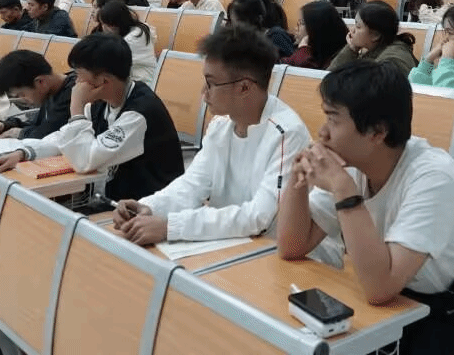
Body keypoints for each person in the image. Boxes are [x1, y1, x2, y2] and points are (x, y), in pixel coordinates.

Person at [277, 60, 454, 354]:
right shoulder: (354, 162)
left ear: (377, 132)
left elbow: (379, 288)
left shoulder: (432, 179)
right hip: (414, 303)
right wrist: (297, 177)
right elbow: (292, 246)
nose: (322, 132)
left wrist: (344, 191)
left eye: (333, 120)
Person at [112, 25, 311, 245]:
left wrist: (171, 227)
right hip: (229, 243)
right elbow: (192, 184)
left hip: (272, 250)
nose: (203, 92)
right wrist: (148, 207)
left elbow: (259, 216)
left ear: (244, 88)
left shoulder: (287, 134)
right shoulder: (221, 125)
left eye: (211, 83)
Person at [0, 33, 184, 202]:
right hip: (113, 199)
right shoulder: (102, 101)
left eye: (80, 76)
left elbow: (84, 161)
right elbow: (63, 137)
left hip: (146, 208)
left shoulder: (139, 113)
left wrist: (76, 107)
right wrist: (24, 153)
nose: (76, 82)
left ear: (103, 81)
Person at [0, 50, 76, 140]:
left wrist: (17, 133)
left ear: (41, 82)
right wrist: (7, 125)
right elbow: (37, 125)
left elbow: (48, 134)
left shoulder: (72, 94)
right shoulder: (51, 93)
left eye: (21, 94)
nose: (21, 99)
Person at [329, 1, 418, 75]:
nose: (352, 30)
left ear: (375, 35)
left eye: (358, 26)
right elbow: (329, 78)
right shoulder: (375, 50)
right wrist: (352, 48)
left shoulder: (392, 61)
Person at [96, 0, 158, 84]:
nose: (104, 28)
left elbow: (110, 63)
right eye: (102, 24)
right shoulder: (126, 34)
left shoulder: (135, 37)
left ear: (118, 23)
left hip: (142, 82)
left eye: (108, 25)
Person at [281, 1, 348, 69]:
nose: (296, 28)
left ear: (316, 29)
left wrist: (303, 50)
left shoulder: (335, 62)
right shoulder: (315, 52)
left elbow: (305, 70)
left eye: (302, 23)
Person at [228, 0, 295, 59]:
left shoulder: (276, 36)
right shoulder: (240, 41)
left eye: (236, 22)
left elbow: (291, 62)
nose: (233, 26)